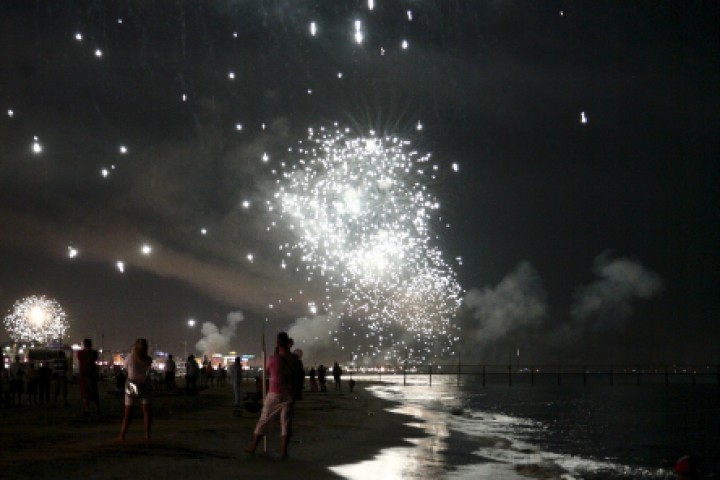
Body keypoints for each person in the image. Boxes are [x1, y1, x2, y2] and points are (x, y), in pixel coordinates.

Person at [245, 332, 303, 458]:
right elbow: (299, 376)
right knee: (286, 423)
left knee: (264, 419)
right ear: (288, 343)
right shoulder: (295, 360)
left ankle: (253, 446)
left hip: (275, 393)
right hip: (290, 394)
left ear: (277, 344)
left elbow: (266, 373)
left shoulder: (273, 359)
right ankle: (283, 451)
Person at [118, 338, 153, 441]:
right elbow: (148, 372)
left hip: (131, 385)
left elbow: (126, 370)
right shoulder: (148, 359)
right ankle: (147, 434)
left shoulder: (130, 358)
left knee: (128, 413)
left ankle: (122, 435)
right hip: (145, 385)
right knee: (146, 411)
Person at [77, 338, 101, 415]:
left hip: (83, 375)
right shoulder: (94, 353)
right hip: (92, 375)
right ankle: (98, 409)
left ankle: (87, 410)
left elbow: (80, 358)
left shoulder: (80, 353)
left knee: (84, 394)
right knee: (94, 392)